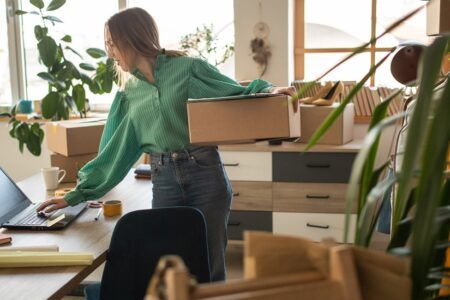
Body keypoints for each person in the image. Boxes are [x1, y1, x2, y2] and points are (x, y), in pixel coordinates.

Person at [37, 7, 296, 282]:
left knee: (210, 268)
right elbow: (113, 153)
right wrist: (75, 195)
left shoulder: (187, 69)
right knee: (170, 272)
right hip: (164, 183)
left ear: (132, 38)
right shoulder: (128, 94)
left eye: (112, 43)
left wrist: (268, 91)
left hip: (205, 174)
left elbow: (231, 91)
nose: (109, 52)